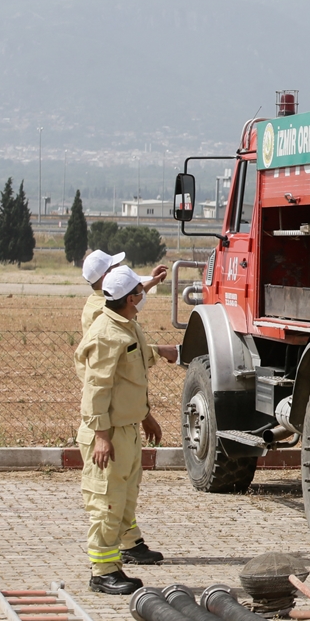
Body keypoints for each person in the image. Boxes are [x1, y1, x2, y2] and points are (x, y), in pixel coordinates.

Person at [73, 266, 177, 594]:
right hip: (111, 436)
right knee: (107, 504)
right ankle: (102, 572)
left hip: (128, 431)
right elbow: (96, 389)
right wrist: (101, 437)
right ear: (130, 297)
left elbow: (133, 372)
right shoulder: (106, 333)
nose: (142, 295)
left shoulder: (126, 326)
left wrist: (145, 416)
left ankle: (115, 565)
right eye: (139, 291)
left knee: (123, 503)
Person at [81, 250, 167, 334]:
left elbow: (130, 296)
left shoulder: (93, 300)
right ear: (106, 277)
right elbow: (130, 299)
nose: (120, 266)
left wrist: (151, 280)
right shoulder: (112, 308)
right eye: (116, 266)